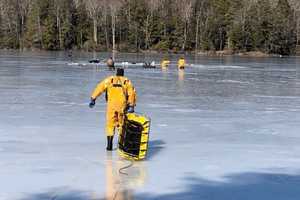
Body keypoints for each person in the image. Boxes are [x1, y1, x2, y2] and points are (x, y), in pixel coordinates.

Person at [89, 68, 136, 151]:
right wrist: (131, 105)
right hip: (122, 106)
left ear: (116, 73)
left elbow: (99, 87)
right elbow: (131, 93)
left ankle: (109, 145)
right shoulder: (126, 81)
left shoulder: (109, 80)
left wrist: (93, 98)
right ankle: (122, 144)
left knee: (110, 125)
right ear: (123, 74)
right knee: (121, 125)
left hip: (111, 106)